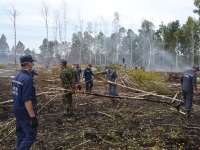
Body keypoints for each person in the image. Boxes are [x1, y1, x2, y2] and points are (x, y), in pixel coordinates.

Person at [12, 55, 38, 150]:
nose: (33, 64)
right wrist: (33, 117)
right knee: (31, 135)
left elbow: (17, 94)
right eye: (32, 62)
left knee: (21, 134)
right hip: (25, 112)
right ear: (28, 64)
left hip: (17, 109)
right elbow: (27, 100)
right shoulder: (27, 79)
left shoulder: (17, 76)